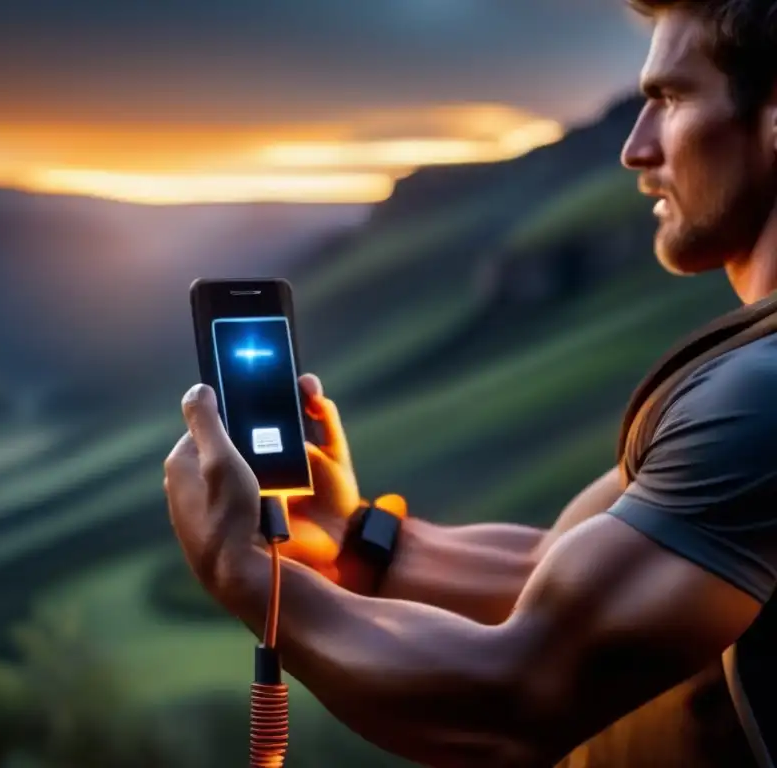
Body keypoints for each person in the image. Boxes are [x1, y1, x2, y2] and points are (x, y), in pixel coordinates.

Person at [163, 0, 777, 765]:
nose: (634, 147)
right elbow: (551, 569)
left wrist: (243, 573)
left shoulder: (761, 396)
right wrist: (357, 538)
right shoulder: (751, 373)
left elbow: (509, 701)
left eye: (671, 98)